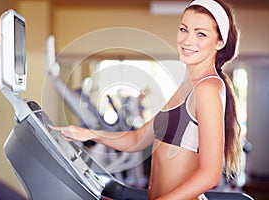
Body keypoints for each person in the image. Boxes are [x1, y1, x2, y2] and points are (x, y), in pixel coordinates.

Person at [50, 0, 242, 199]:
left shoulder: (208, 88)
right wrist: (86, 134)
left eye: (201, 34)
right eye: (184, 29)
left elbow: (210, 175)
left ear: (220, 42)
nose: (187, 40)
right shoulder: (187, 84)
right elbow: (137, 139)